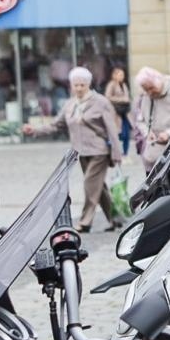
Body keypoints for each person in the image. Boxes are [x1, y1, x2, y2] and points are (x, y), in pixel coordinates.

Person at [22, 67, 123, 232]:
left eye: (82, 85)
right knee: (99, 187)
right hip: (80, 152)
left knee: (90, 185)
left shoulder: (100, 102)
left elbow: (112, 129)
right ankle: (115, 219)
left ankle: (85, 221)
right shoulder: (70, 104)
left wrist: (117, 154)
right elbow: (56, 125)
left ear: (88, 84)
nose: (79, 88)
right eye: (75, 85)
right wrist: (34, 130)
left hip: (99, 151)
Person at [133, 66, 170, 173]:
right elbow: (140, 120)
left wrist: (169, 134)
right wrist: (147, 132)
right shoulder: (146, 96)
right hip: (152, 161)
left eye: (151, 88)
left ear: (158, 81)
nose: (149, 93)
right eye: (146, 90)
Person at [104, 66, 132, 154]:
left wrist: (127, 100)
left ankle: (125, 152)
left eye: (123, 75)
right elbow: (107, 96)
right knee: (116, 133)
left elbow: (127, 97)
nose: (122, 77)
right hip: (116, 113)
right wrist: (122, 99)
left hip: (125, 112)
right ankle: (111, 151)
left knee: (126, 134)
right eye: (120, 75)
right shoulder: (111, 85)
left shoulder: (123, 85)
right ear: (115, 75)